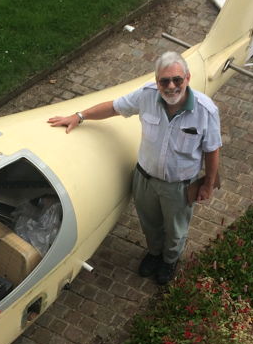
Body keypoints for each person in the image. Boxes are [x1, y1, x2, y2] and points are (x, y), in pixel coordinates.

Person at [47, 51, 221, 285]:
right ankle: (154, 253)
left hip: (179, 186)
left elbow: (212, 150)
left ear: (188, 78)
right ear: (157, 81)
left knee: (176, 230)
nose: (171, 86)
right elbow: (114, 107)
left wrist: (208, 185)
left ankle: (170, 261)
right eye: (164, 81)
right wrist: (80, 116)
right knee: (149, 223)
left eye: (177, 80)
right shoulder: (147, 95)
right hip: (145, 180)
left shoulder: (205, 110)